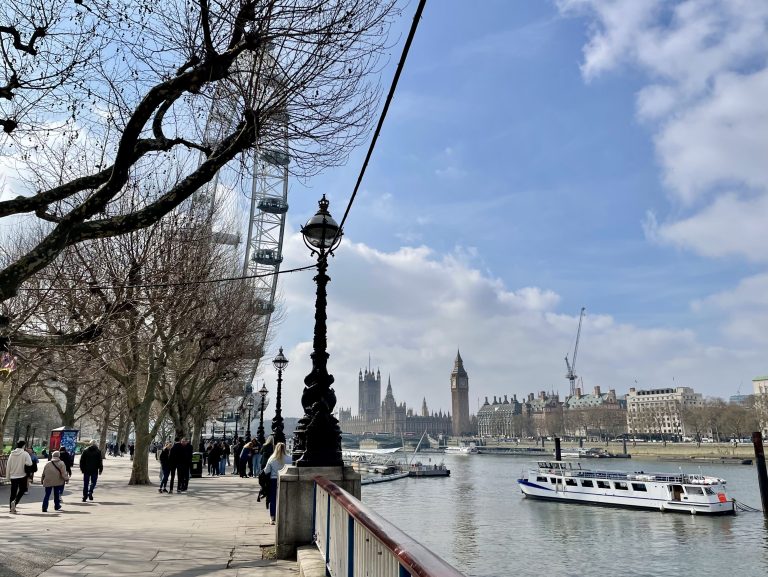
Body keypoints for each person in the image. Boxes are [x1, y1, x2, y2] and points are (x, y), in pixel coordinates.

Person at [263, 442, 290, 524]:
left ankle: (272, 517)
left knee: (273, 499)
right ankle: (284, 516)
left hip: (274, 480)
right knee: (285, 498)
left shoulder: (272, 459)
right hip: (285, 480)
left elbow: (266, 471)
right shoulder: (290, 458)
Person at [5, 440, 33, 514]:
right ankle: (15, 502)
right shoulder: (25, 454)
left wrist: (7, 476)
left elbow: (8, 465)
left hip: (13, 476)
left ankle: (11, 509)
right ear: (23, 446)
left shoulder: (12, 454)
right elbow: (29, 463)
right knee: (22, 490)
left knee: (13, 492)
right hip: (22, 475)